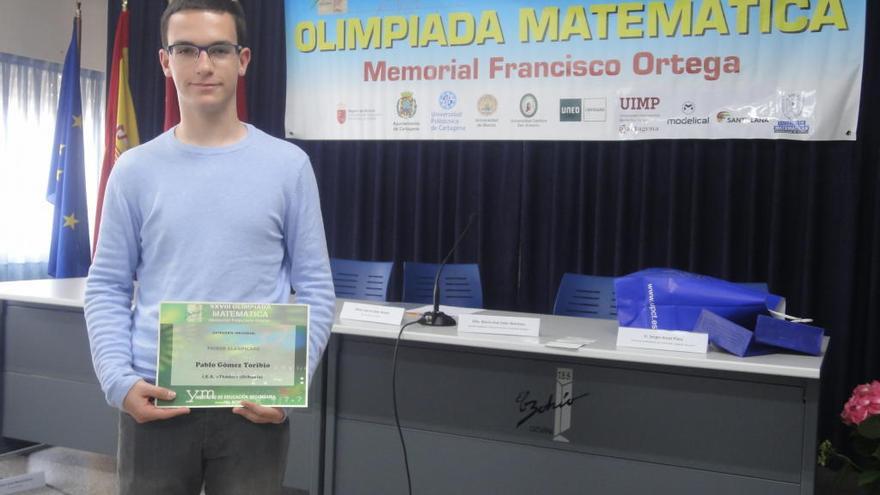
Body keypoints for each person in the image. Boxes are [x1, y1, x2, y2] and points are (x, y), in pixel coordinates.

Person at [84, 1, 335, 493]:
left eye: (218, 50)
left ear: (242, 60)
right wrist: (119, 381)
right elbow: (107, 287)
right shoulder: (134, 170)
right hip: (155, 397)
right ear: (164, 61)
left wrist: (291, 384)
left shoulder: (288, 167)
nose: (203, 65)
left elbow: (316, 288)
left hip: (253, 404)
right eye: (187, 50)